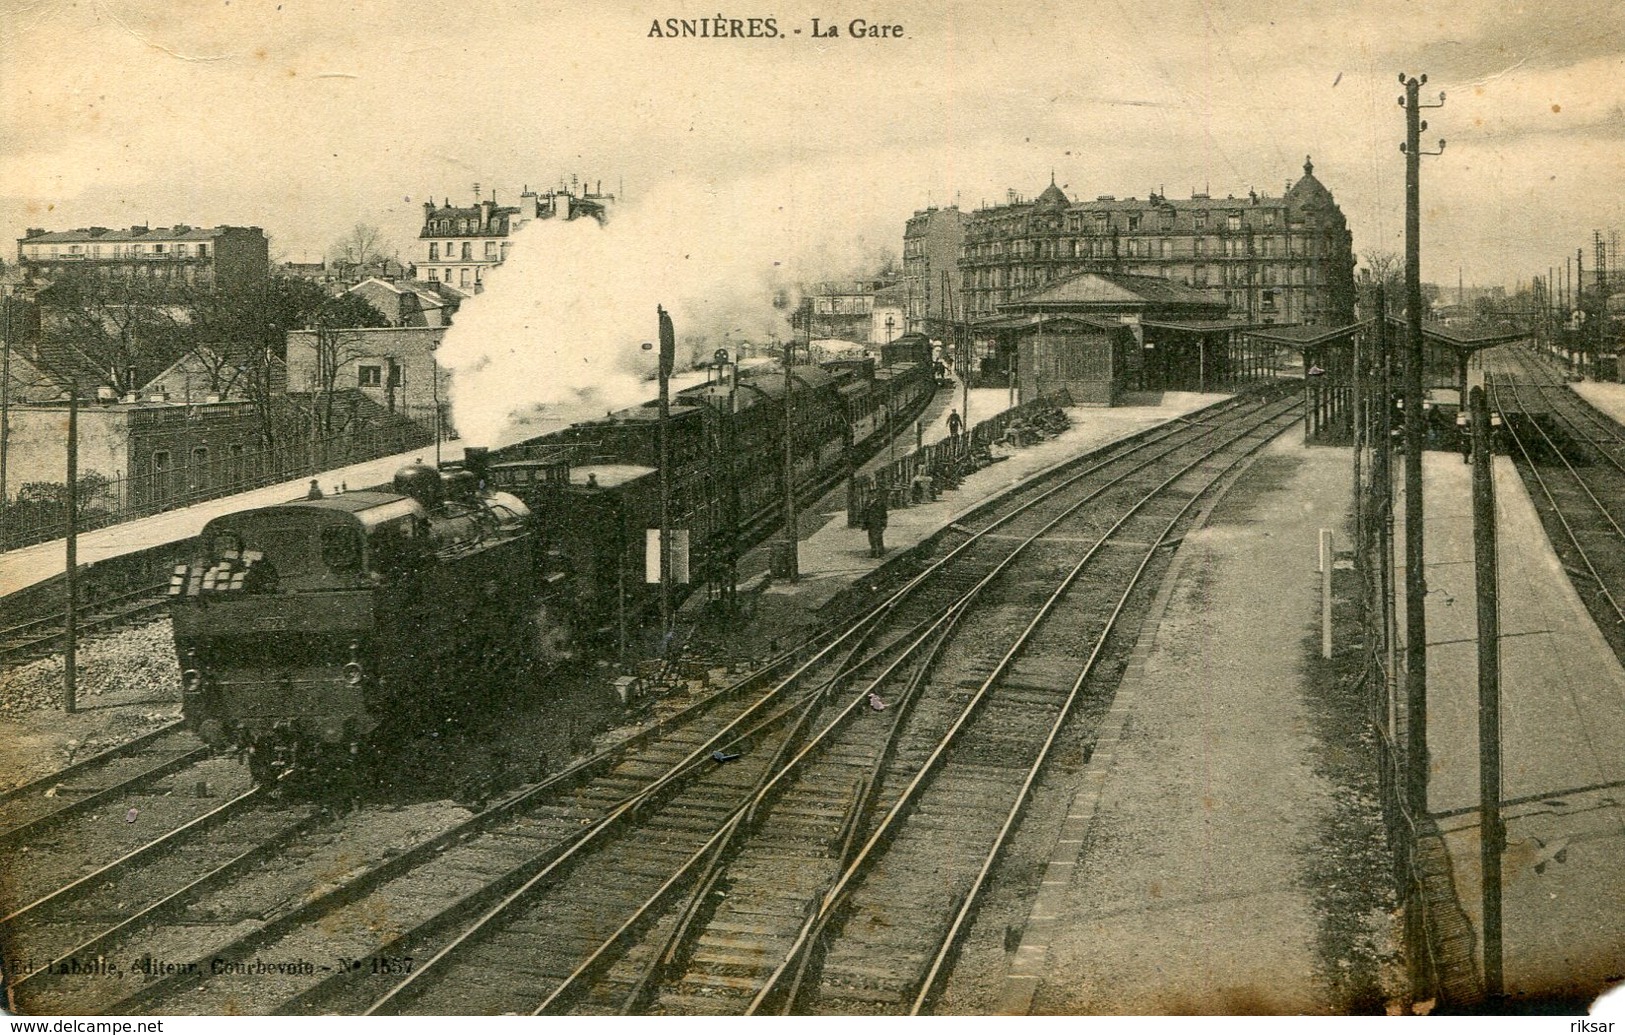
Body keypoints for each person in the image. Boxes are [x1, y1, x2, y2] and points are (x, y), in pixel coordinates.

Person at [863, 489, 889, 558]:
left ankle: (880, 553)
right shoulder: (868, 503)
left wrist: (884, 524)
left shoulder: (880, 503)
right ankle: (874, 553)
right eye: (870, 494)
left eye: (873, 494)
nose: (871, 495)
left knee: (878, 538)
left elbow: (884, 514)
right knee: (871, 539)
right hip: (870, 523)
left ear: (876, 494)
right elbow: (865, 513)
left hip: (878, 523)